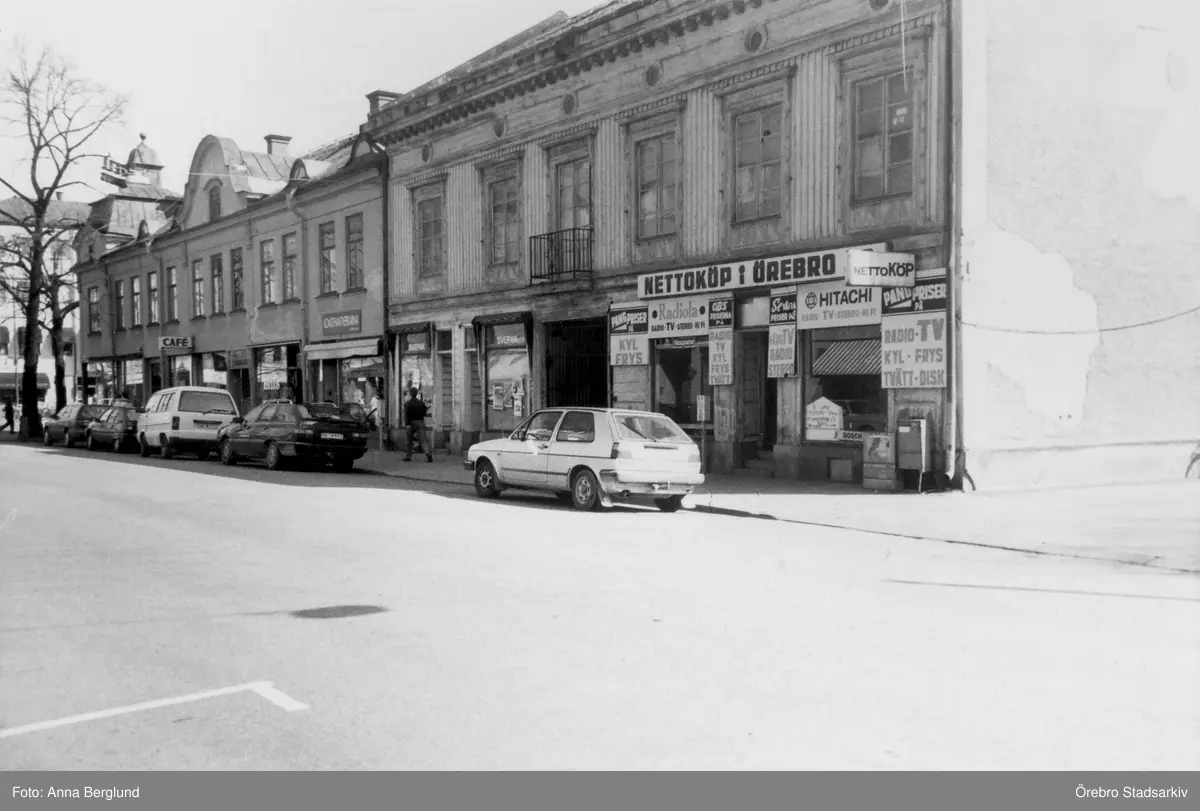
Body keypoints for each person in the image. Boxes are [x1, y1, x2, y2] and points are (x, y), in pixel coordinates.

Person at [403, 387, 432, 463]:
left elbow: (406, 415)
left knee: (409, 440)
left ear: (410, 393)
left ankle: (408, 456)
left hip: (411, 423)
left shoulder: (407, 403)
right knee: (423, 440)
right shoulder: (421, 403)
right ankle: (428, 453)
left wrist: (407, 424)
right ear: (416, 393)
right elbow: (424, 413)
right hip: (421, 422)